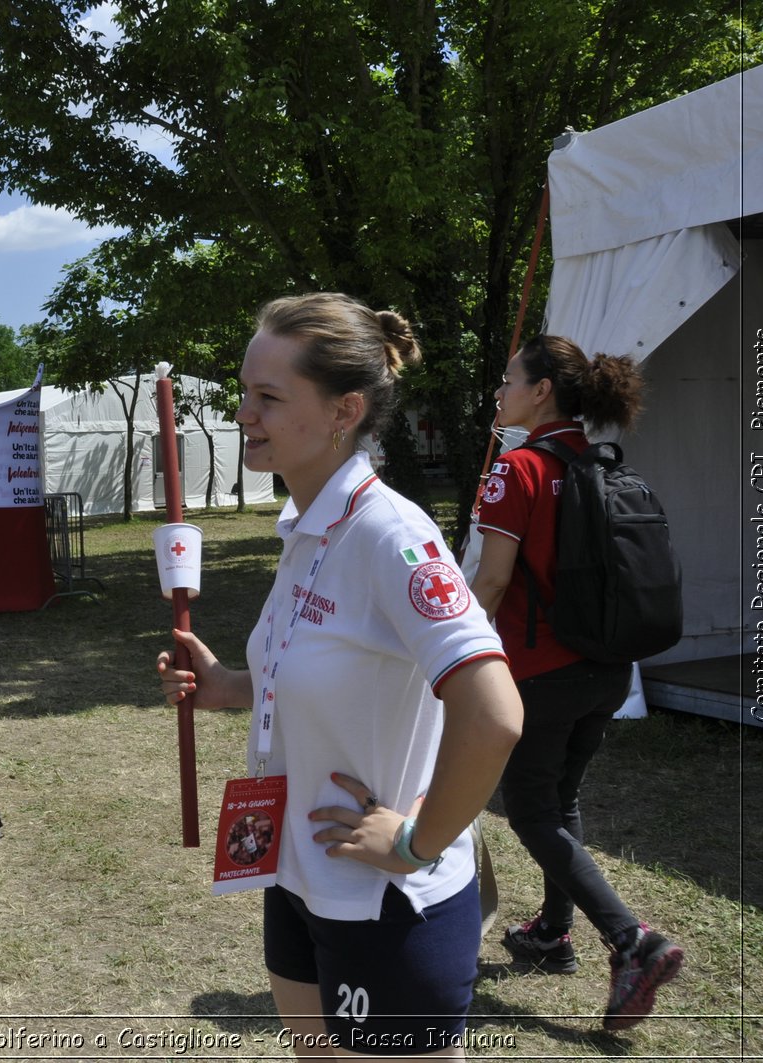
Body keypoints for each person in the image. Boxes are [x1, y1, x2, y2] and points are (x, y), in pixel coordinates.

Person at [157, 293, 522, 1060]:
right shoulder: (306, 525)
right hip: (298, 873)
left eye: (269, 397)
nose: (244, 412)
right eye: (244, 391)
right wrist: (227, 683)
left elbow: (493, 715)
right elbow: (319, 668)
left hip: (388, 899)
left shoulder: (391, 534)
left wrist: (420, 841)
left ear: (343, 410)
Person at [468, 334, 684, 1030]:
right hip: (609, 667)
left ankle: (633, 941)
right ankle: (552, 935)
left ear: (540, 391)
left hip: (540, 671)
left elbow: (494, 580)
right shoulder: (599, 461)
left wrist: (447, 651)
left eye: (509, 381)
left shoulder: (518, 468)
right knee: (561, 800)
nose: (499, 394)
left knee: (530, 810)